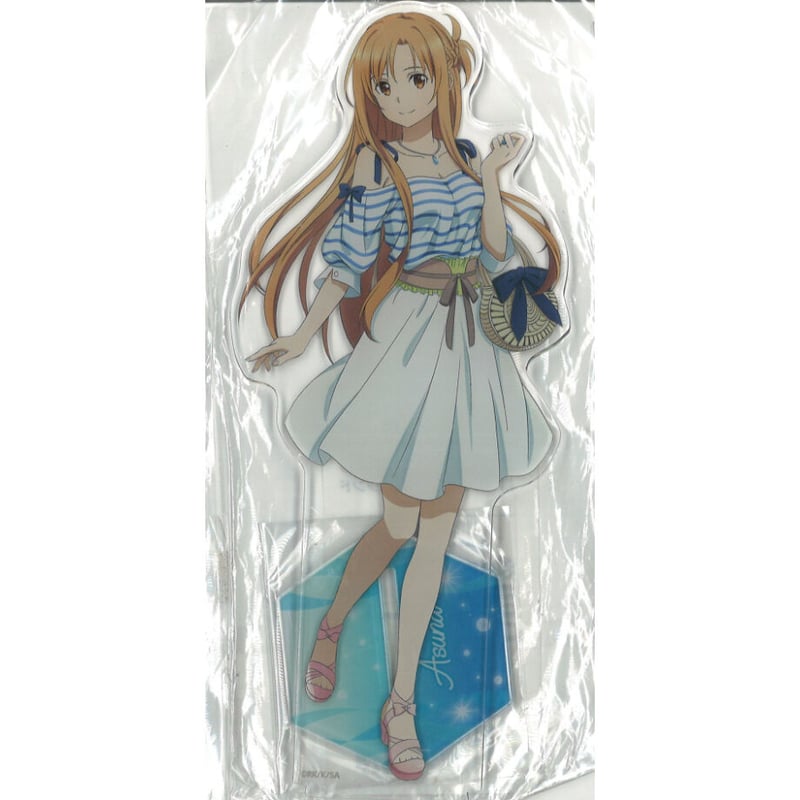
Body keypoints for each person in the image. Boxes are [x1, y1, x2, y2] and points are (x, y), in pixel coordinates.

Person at [241, 10, 561, 781]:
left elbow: (494, 249)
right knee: (395, 524)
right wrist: (300, 333)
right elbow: (349, 258)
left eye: (417, 78)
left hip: (470, 347)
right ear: (370, 93)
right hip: (409, 340)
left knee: (435, 534)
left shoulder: (467, 155)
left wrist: (492, 179)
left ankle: (402, 703)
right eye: (385, 84)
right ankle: (334, 622)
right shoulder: (375, 166)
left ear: (445, 79)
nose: (403, 96)